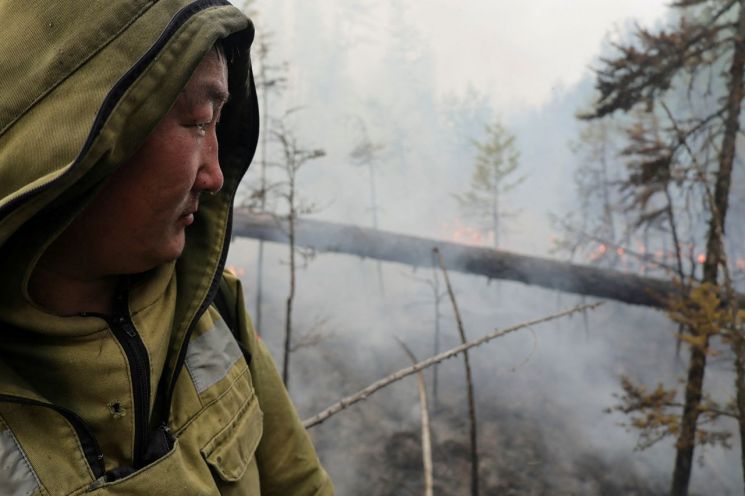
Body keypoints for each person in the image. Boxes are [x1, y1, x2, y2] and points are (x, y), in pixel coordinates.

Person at [0, 1, 333, 494]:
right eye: (199, 122)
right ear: (80, 136)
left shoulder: (210, 308)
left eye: (219, 123)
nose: (215, 176)